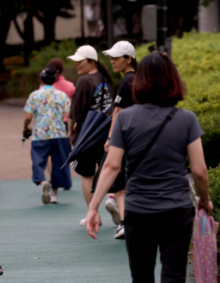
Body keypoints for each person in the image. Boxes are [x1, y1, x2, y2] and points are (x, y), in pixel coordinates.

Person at [85, 52, 214, 283]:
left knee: (141, 282)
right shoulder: (186, 119)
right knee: (172, 282)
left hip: (139, 211)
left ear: (139, 83)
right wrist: (205, 200)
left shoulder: (125, 118)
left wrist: (93, 206)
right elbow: (199, 170)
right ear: (173, 81)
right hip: (176, 211)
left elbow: (113, 165)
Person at [95, 41, 138, 240]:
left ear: (129, 59)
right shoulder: (138, 78)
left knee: (120, 184)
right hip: (138, 136)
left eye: (116, 58)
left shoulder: (126, 81)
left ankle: (124, 223)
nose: (111, 61)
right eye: (110, 57)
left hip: (125, 136)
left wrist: (111, 138)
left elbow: (118, 112)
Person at [66, 45, 113, 225]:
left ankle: (93, 214)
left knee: (87, 175)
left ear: (92, 61)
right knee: (108, 172)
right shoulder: (105, 78)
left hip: (86, 133)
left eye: (80, 61)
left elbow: (74, 110)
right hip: (105, 132)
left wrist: (70, 130)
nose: (77, 64)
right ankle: (113, 201)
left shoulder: (84, 80)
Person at [23, 65, 72, 204]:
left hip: (40, 135)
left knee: (38, 161)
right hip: (59, 134)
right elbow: (68, 115)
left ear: (41, 79)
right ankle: (54, 194)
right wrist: (70, 132)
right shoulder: (62, 95)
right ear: (55, 79)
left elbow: (28, 117)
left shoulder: (35, 95)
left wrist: (25, 128)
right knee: (57, 164)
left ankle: (42, 181)